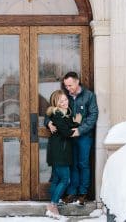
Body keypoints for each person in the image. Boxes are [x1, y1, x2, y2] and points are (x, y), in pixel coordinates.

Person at [45, 71, 98, 206]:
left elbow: (93, 116)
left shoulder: (89, 96)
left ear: (77, 81)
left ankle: (82, 193)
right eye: (66, 86)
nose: (68, 88)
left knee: (83, 164)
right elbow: (51, 110)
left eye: (70, 85)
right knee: (72, 164)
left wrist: (80, 130)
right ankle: (71, 192)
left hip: (83, 137)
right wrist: (48, 123)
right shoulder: (64, 95)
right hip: (67, 139)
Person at [45, 89, 81, 219]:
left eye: (66, 99)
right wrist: (77, 130)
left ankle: (52, 204)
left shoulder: (64, 114)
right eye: (62, 101)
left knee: (56, 179)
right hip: (60, 152)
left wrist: (75, 122)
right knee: (65, 180)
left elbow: (68, 125)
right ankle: (53, 205)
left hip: (59, 151)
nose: (65, 102)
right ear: (56, 103)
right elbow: (66, 131)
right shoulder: (58, 115)